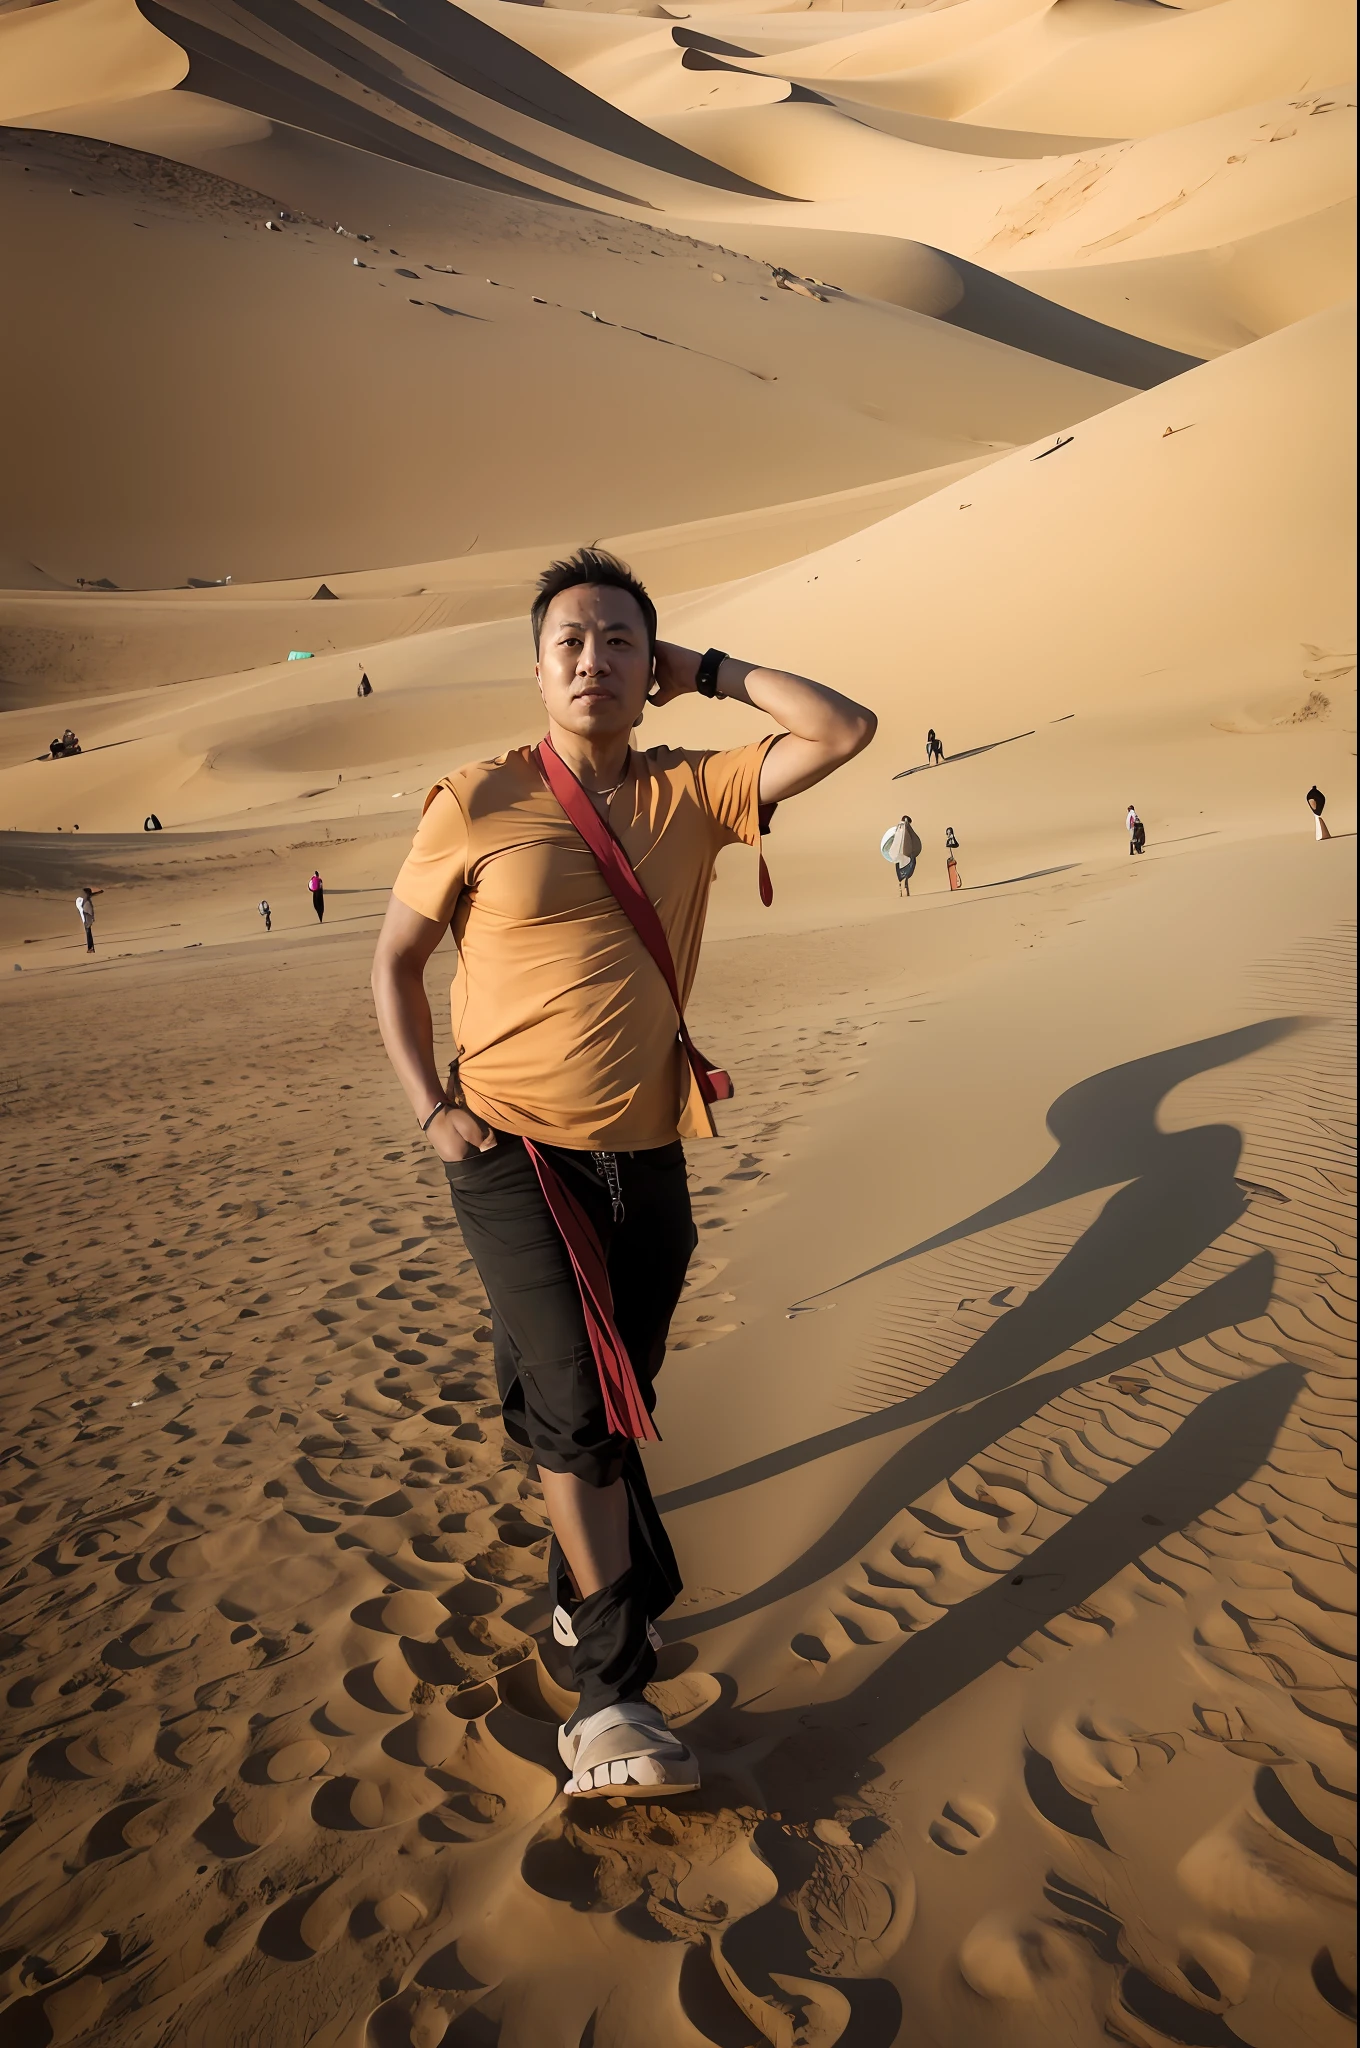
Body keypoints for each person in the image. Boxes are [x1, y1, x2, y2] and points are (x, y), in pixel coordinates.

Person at [371, 547, 875, 1801]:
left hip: (646, 1150)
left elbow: (844, 725)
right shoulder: (475, 800)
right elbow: (392, 965)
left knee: (604, 1383)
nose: (592, 659)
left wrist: (708, 669)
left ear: (651, 669)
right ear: (537, 667)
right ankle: (609, 1693)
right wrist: (432, 1108)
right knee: (585, 1406)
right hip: (508, 1149)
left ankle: (572, 1584)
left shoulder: (693, 792)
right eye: (570, 642)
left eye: (619, 642)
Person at [883, 813, 921, 896]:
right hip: (903, 857)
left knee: (902, 875)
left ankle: (902, 889)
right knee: (905, 874)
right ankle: (903, 889)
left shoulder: (900, 828)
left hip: (900, 857)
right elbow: (904, 841)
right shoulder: (903, 828)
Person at [75, 884, 102, 953]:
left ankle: (90, 948)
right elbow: (84, 909)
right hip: (86, 918)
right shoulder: (81, 901)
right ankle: (90, 948)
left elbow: (90, 895)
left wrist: (98, 892)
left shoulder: (84, 900)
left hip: (86, 917)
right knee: (88, 933)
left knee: (89, 933)